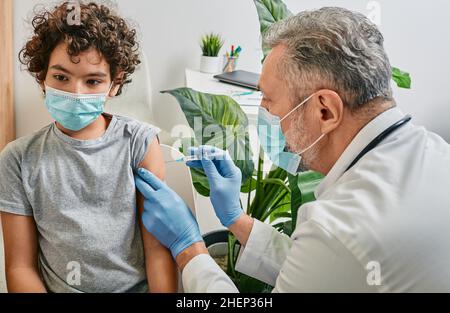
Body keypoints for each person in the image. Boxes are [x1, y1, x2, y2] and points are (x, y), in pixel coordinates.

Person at [135, 7, 450, 292]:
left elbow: (333, 257)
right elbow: (322, 271)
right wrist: (236, 218)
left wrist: (189, 247)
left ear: (324, 110)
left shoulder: (340, 227)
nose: (263, 112)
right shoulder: (436, 153)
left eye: (269, 100)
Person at [0, 2, 177, 293]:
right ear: (41, 76)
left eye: (93, 81)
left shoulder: (140, 144)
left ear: (114, 84)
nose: (75, 92)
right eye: (61, 77)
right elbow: (20, 267)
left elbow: (157, 252)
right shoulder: (18, 159)